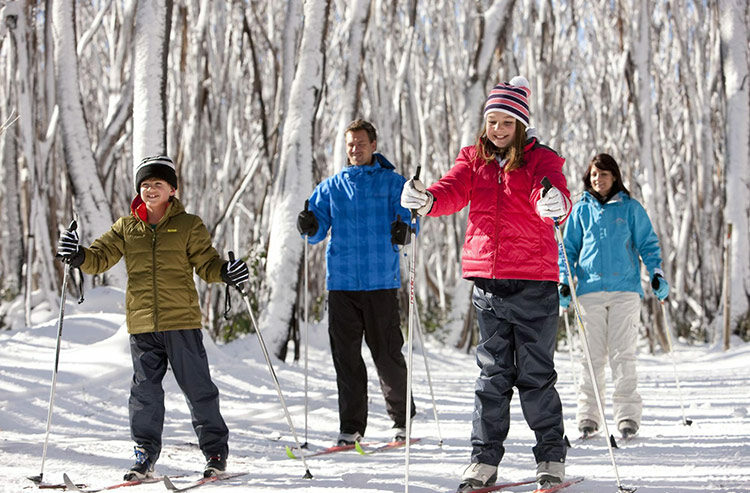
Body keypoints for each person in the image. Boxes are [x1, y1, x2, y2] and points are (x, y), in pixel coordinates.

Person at [401, 76, 572, 491]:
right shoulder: (473, 159)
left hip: (534, 283)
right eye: (492, 121)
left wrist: (554, 205)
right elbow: (452, 190)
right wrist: (426, 200)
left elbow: (551, 194)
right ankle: (483, 460)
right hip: (488, 286)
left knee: (535, 375)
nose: (497, 129)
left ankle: (550, 455)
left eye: (506, 123)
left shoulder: (541, 160)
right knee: (492, 377)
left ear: (521, 125)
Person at [55, 155, 249, 480]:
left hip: (181, 322)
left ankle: (215, 452)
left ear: (172, 189)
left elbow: (207, 264)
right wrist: (78, 255)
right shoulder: (126, 227)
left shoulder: (189, 225)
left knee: (198, 388)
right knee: (144, 392)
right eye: (145, 184)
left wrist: (226, 272)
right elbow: (99, 258)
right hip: (142, 324)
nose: (150, 189)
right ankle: (144, 454)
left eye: (157, 183)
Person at [296, 119, 416, 446]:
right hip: (343, 284)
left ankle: (402, 420)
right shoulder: (332, 186)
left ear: (373, 145)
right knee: (346, 358)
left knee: (387, 354)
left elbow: (409, 219)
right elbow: (316, 228)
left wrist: (404, 230)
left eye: (361, 143)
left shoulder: (393, 183)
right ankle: (351, 427)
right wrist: (308, 224)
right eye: (350, 144)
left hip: (380, 281)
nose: (355, 148)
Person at [557, 152, 669, 440]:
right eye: (594, 175)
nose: (598, 179)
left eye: (603, 174)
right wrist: (564, 281)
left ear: (615, 176)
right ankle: (588, 416)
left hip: (625, 291)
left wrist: (656, 274)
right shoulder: (581, 210)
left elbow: (648, 244)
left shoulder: (631, 208)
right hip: (589, 292)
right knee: (591, 357)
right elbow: (567, 249)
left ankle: (627, 415)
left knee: (623, 355)